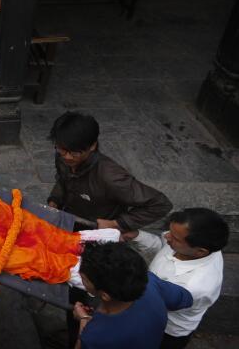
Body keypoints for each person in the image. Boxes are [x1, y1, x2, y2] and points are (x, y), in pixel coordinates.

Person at [46, 111, 173, 347]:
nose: (66, 157)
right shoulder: (64, 156)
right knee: (67, 282)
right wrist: (54, 201)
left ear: (92, 146)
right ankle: (73, 325)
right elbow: (62, 182)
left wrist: (118, 224)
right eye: (61, 150)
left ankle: (83, 334)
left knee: (83, 290)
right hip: (72, 227)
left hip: (98, 242)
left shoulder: (111, 176)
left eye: (74, 152)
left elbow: (160, 204)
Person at [122, 208, 228, 348]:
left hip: (165, 330)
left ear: (200, 251)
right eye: (169, 231)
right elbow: (162, 246)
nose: (167, 237)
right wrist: (136, 235)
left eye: (174, 237)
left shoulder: (192, 286)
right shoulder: (191, 244)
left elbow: (147, 300)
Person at [73, 242, 193, 349]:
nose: (81, 278)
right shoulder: (150, 282)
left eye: (84, 279)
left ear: (105, 295)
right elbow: (185, 299)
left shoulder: (96, 335)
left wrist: (84, 320)